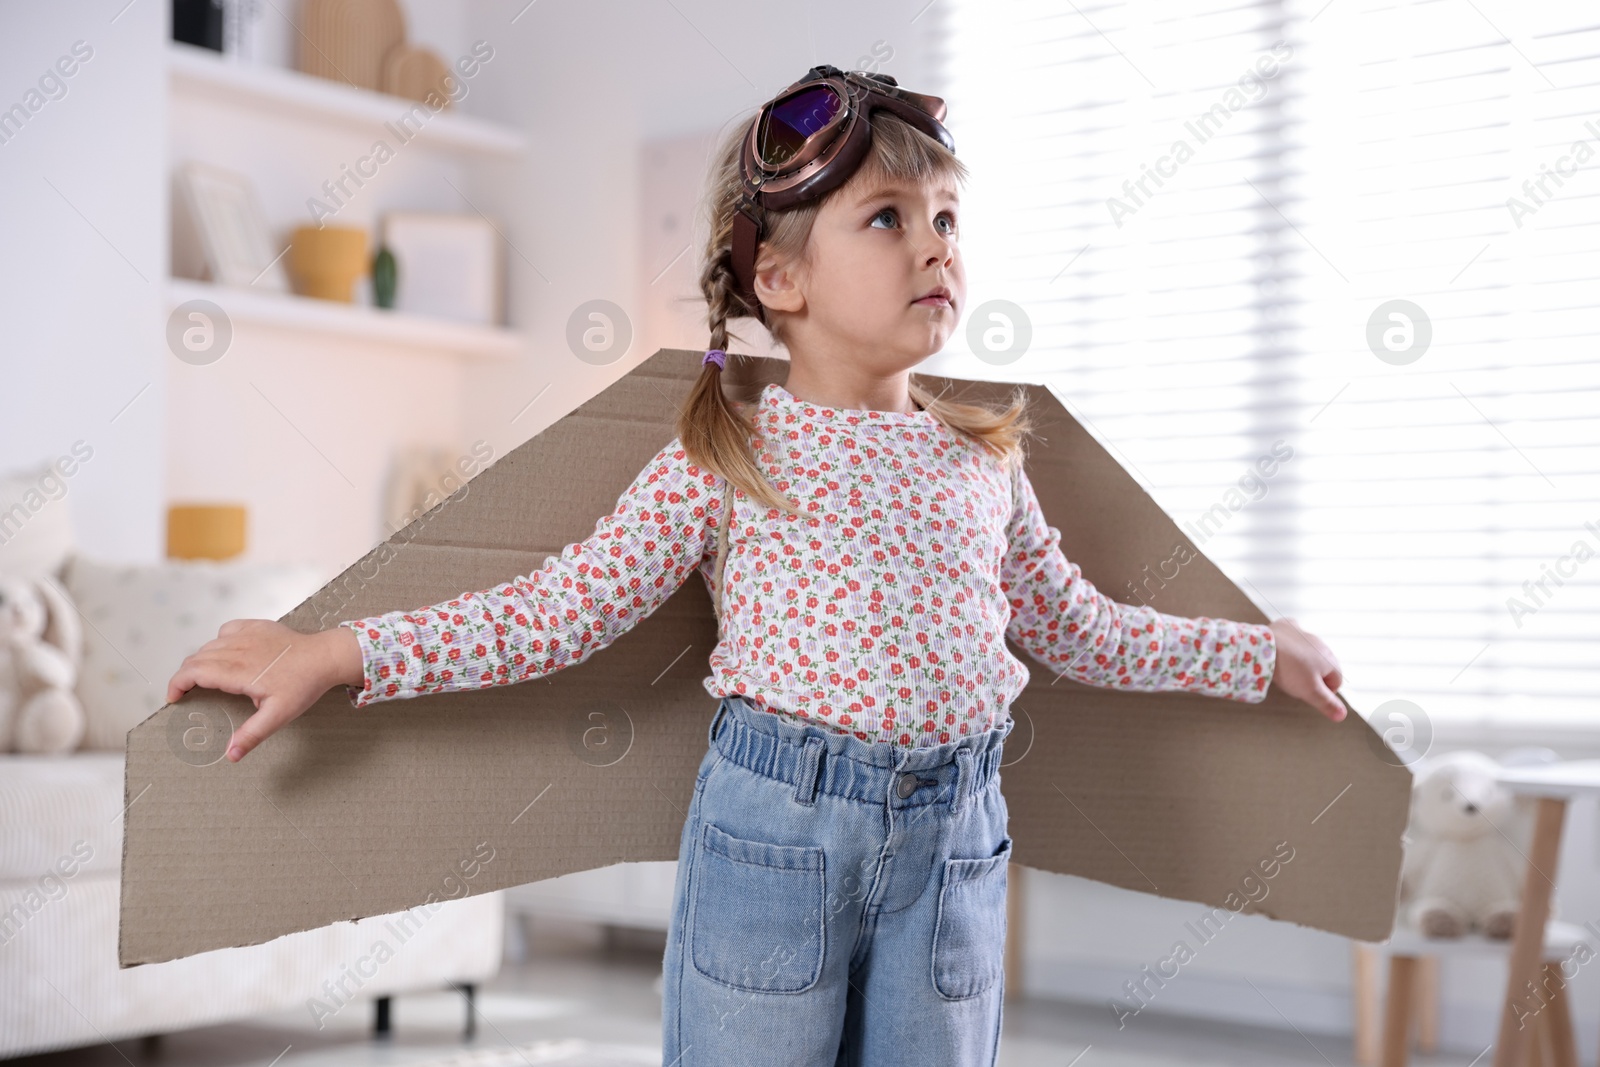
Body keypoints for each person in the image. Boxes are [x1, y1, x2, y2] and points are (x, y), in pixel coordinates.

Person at [166, 63, 1347, 1067]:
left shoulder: (982, 456)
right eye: (886, 217)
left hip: (957, 837)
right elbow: (559, 610)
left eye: (945, 218)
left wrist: (1259, 652)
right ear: (781, 281)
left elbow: (1080, 628)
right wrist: (336, 648)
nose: (932, 245)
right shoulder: (728, 449)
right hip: (775, 833)